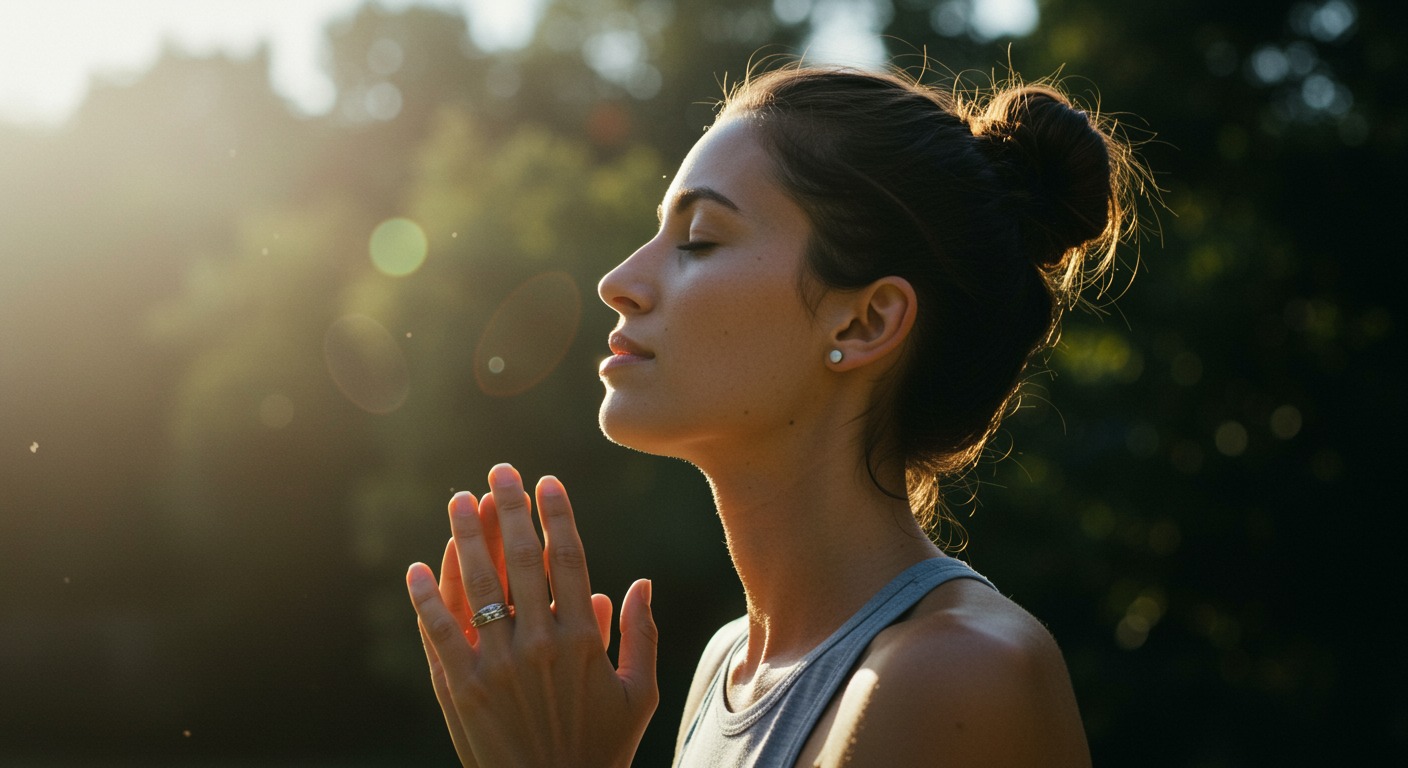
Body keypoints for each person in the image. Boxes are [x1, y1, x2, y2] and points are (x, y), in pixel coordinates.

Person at [406, 63, 1141, 767]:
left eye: (699, 240)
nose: (618, 281)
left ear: (863, 323)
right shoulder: (726, 668)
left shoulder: (956, 675)